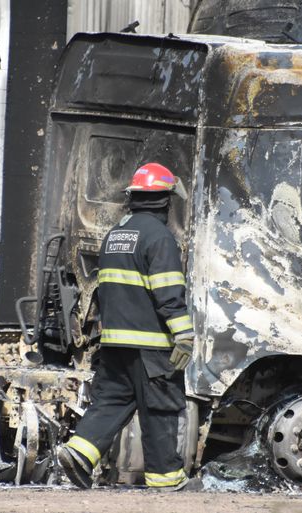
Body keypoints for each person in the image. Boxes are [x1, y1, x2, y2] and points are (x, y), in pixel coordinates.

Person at [58, 162, 195, 490]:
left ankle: (79, 453)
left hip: (115, 343)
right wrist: (184, 336)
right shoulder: (160, 238)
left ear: (134, 198)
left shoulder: (116, 235)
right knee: (160, 408)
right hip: (151, 346)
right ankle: (167, 481)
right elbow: (168, 292)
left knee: (112, 400)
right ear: (165, 200)